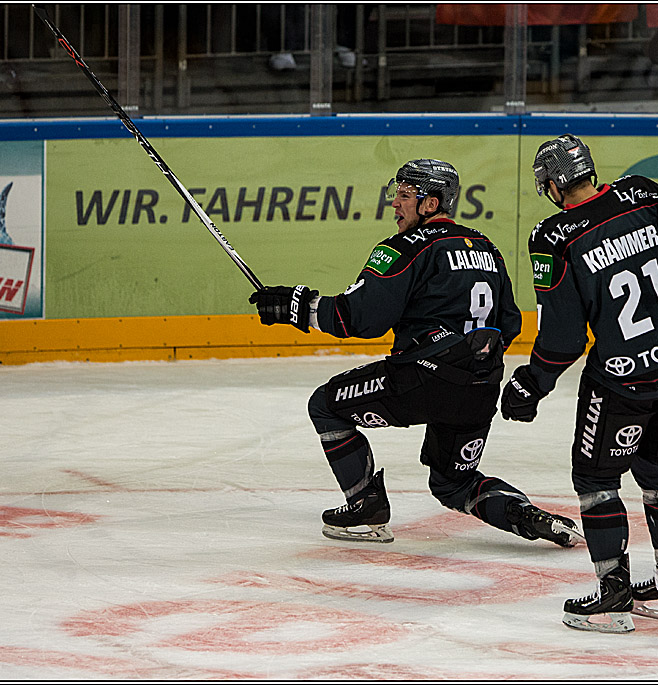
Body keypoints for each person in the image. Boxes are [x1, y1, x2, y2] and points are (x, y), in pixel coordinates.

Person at [249, 158, 582, 549]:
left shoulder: (406, 247)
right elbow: (510, 323)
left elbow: (356, 317)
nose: (395, 203)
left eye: (406, 195)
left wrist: (295, 306)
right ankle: (525, 514)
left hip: (422, 379)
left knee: (326, 405)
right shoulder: (487, 248)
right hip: (481, 387)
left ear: (431, 203)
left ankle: (365, 507)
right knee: (453, 482)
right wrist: (468, 361)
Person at [500, 134, 658, 633]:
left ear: (552, 184)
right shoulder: (643, 193)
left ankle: (613, 597)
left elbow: (563, 336)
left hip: (621, 381)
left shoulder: (554, 237)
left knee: (596, 480)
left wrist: (532, 383)